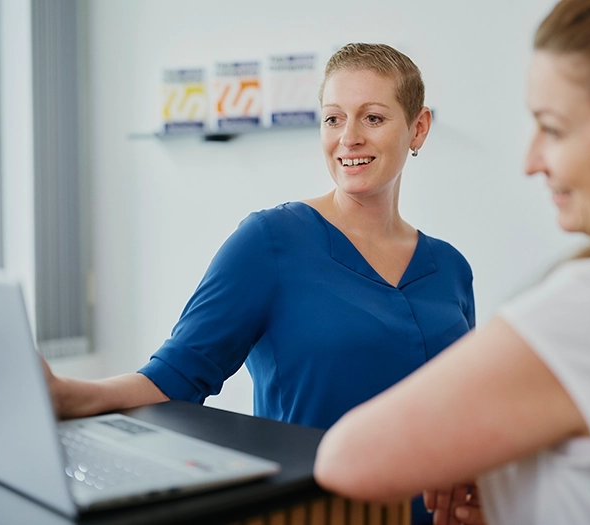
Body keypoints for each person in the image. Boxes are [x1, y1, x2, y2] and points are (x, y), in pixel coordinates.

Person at [313, 1, 590, 524]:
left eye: (553, 128)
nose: (531, 161)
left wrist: (494, 472)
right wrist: (513, 482)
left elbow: (350, 461)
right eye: (333, 118)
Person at [42, 43, 476, 525]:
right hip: (316, 513)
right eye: (333, 119)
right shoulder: (271, 241)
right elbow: (174, 378)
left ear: (418, 127)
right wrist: (68, 395)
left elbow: (467, 409)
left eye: (372, 118)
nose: (348, 137)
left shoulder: (450, 268)